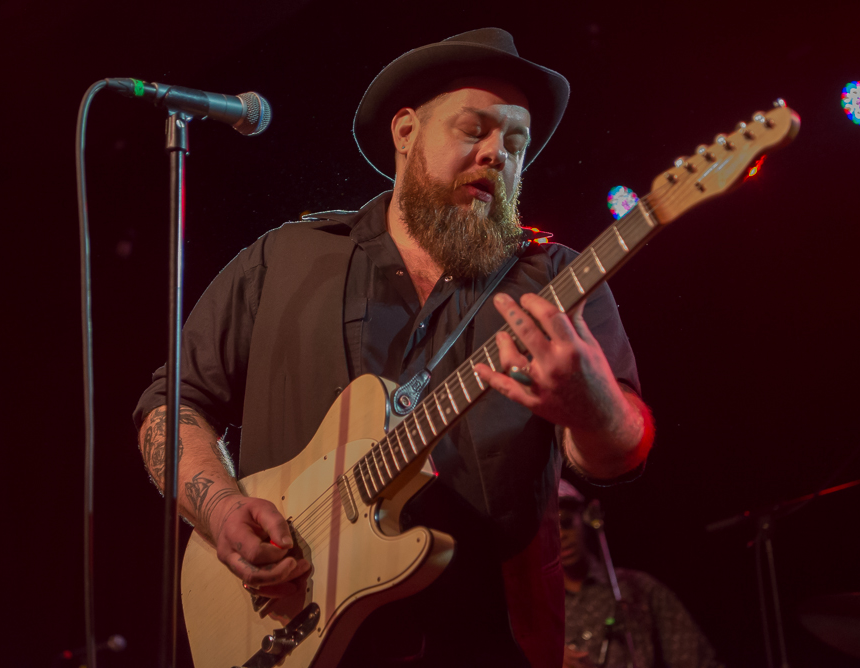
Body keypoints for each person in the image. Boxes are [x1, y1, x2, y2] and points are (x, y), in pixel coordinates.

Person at [134, 28, 654, 668]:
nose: (498, 154)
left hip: (488, 649)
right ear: (406, 132)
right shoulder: (285, 259)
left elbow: (622, 450)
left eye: (515, 144)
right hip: (285, 631)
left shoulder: (559, 281)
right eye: (475, 129)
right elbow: (172, 405)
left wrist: (591, 404)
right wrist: (222, 511)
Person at [558, 481, 722, 668]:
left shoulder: (636, 586)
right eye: (550, 529)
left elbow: (698, 661)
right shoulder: (535, 606)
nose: (560, 535)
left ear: (583, 517)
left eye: (565, 521)